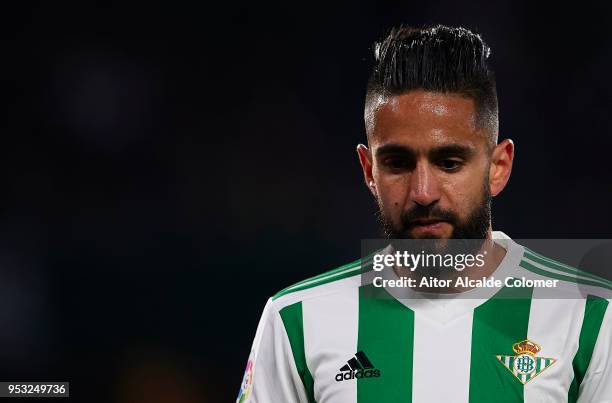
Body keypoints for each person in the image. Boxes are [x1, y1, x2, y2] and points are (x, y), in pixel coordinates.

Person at [236, 24, 612, 403]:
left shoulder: (590, 318)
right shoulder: (297, 321)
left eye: (449, 162)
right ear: (369, 171)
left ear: (498, 167)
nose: (423, 193)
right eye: (398, 163)